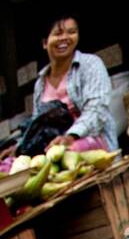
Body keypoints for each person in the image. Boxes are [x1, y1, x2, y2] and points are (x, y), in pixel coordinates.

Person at [0, 14, 117, 167]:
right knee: (11, 165)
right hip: (53, 150)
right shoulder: (40, 82)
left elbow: (97, 110)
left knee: (67, 153)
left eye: (71, 32)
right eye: (58, 33)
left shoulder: (90, 65)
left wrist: (70, 137)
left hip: (90, 142)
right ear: (44, 43)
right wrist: (19, 147)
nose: (65, 38)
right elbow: (37, 126)